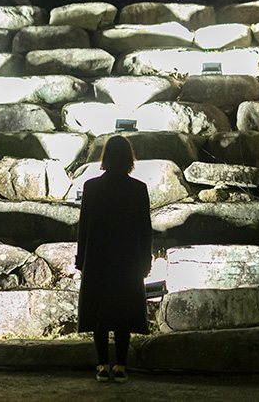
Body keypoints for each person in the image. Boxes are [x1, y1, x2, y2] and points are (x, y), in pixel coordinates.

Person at [75, 135, 153, 383]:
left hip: (98, 258)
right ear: (129, 158)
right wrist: (145, 260)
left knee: (99, 312)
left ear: (105, 157)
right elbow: (145, 229)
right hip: (127, 259)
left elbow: (84, 227)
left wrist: (81, 259)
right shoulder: (138, 189)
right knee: (124, 312)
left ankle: (102, 364)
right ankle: (120, 366)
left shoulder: (91, 187)